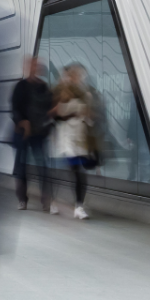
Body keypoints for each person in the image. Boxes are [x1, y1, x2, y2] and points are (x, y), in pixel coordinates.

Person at [50, 65, 94, 220]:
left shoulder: (85, 94)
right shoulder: (60, 92)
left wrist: (86, 115)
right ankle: (54, 201)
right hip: (66, 138)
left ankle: (79, 206)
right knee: (72, 171)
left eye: (79, 75)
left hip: (80, 138)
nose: (78, 78)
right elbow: (57, 114)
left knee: (78, 172)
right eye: (75, 75)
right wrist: (73, 113)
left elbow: (89, 115)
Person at [11, 56, 53, 212]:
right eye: (32, 65)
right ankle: (22, 199)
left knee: (42, 166)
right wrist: (22, 122)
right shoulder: (21, 86)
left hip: (38, 133)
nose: (35, 67)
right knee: (21, 167)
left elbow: (49, 109)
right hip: (23, 133)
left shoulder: (44, 87)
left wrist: (49, 128)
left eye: (37, 65)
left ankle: (46, 201)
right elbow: (15, 108)